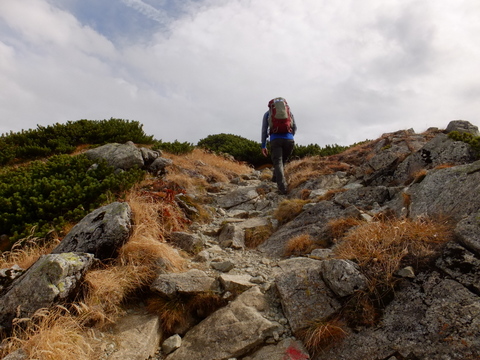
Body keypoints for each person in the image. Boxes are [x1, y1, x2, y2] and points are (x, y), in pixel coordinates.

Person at [261, 97, 297, 195]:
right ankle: (274, 178)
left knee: (278, 163)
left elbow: (264, 130)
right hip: (289, 140)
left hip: (275, 140)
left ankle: (282, 188)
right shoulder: (289, 112)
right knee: (282, 161)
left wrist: (263, 145)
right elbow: (295, 127)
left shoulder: (267, 114)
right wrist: (289, 136)